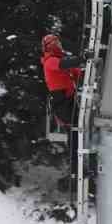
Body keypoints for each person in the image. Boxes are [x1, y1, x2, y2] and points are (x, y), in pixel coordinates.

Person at [42, 33, 85, 164]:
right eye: (56, 43)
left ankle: (78, 157)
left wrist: (86, 69)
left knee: (78, 126)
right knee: (74, 127)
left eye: (59, 43)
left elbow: (77, 72)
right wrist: (81, 58)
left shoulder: (62, 62)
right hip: (61, 103)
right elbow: (62, 64)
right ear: (51, 46)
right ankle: (75, 161)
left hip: (69, 99)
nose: (59, 45)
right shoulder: (50, 61)